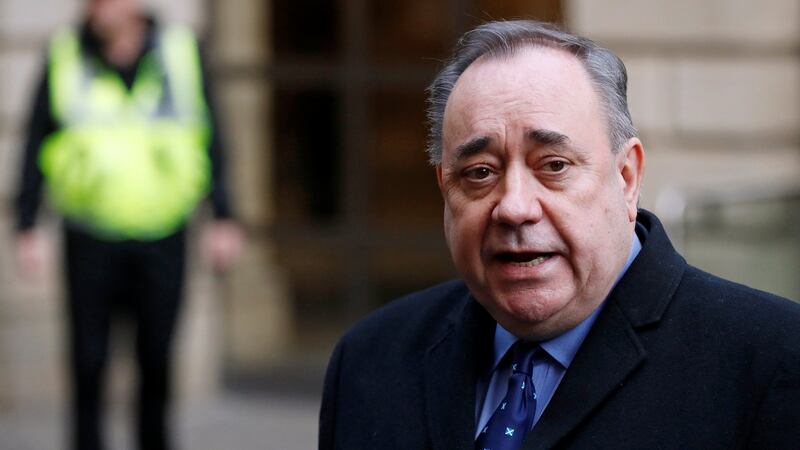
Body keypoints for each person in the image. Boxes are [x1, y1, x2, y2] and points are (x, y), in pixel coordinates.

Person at [318, 20, 800, 450]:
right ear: (445, 189)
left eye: (553, 166)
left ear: (626, 177)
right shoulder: (371, 361)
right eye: (480, 173)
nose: (514, 208)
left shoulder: (774, 361)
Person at [13, 0, 242, 449]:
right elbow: (36, 137)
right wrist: (26, 223)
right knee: (87, 361)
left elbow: (213, 136)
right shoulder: (66, 52)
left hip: (164, 234)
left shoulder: (179, 50)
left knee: (156, 361)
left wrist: (224, 215)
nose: (98, 8)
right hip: (89, 236)